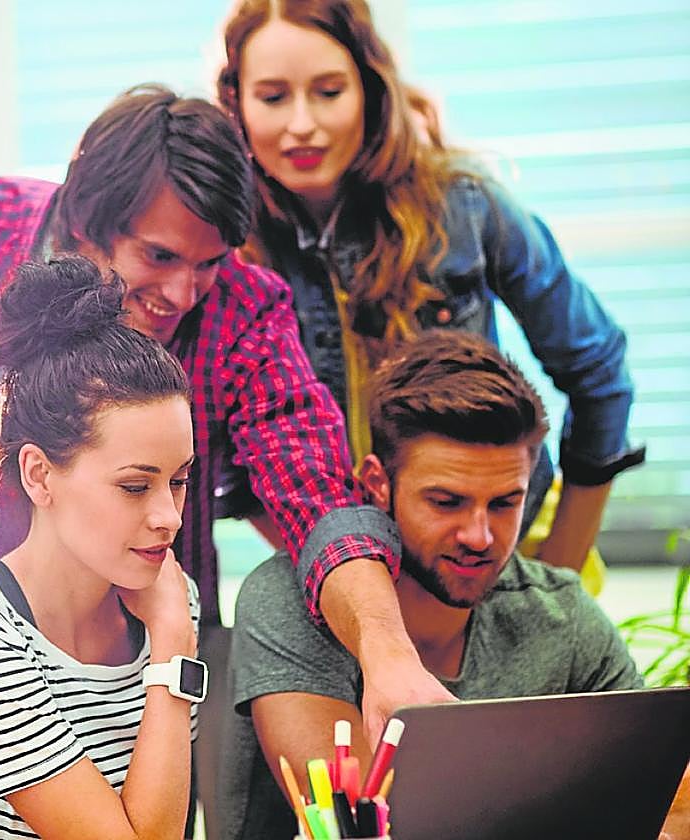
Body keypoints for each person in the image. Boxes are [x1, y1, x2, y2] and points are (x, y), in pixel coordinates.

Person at [0, 84, 454, 759]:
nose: (183, 294)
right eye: (159, 257)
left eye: (210, 262)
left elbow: (316, 489)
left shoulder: (246, 308)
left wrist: (387, 655)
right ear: (86, 219)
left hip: (145, 670)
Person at [216, 0, 645, 575]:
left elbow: (599, 370)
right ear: (236, 104)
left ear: (370, 89)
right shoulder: (222, 249)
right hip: (340, 580)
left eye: (328, 91)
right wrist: (340, 570)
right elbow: (229, 455)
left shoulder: (465, 208)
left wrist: (561, 565)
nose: (301, 123)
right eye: (273, 96)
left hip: (494, 558)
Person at [220, 330, 656, 839]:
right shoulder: (291, 601)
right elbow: (370, 827)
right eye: (446, 502)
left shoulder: (562, 615)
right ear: (378, 484)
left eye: (504, 503)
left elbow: (657, 797)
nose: (480, 536)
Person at [0, 255, 202, 838]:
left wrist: (170, 638)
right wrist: (171, 651)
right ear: (39, 475)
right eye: (135, 486)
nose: (167, 517)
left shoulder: (169, 599)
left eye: (180, 480)